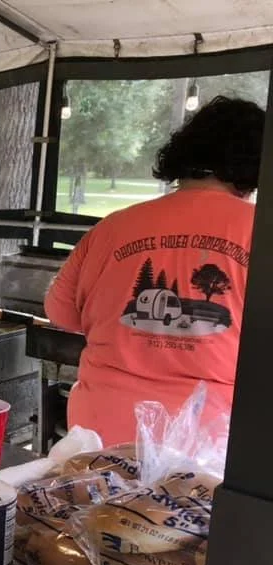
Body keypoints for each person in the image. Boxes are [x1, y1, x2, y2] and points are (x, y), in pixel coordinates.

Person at [45, 96, 265, 446]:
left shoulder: (112, 227)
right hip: (207, 448)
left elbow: (60, 313)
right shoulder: (259, 230)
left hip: (97, 439)